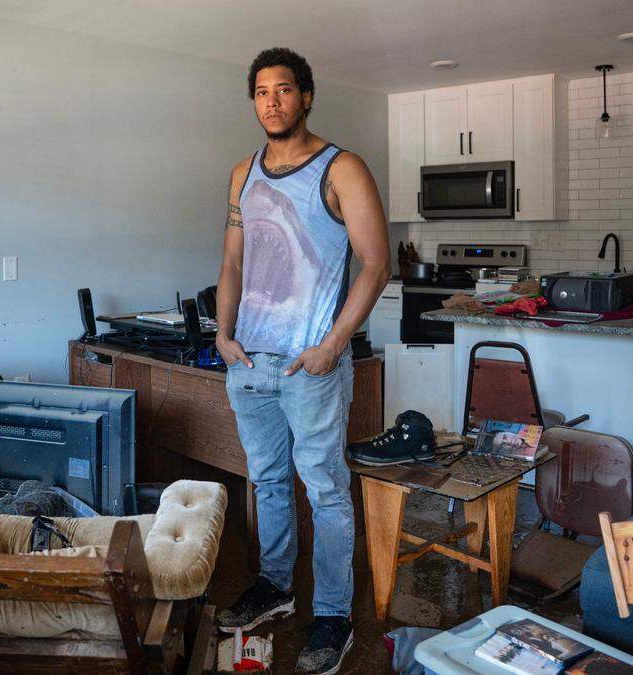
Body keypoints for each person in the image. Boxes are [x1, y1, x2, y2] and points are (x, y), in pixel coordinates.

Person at [213, 47, 390, 675]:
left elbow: (376, 262)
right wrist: (223, 334)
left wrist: (332, 346)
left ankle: (334, 617)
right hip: (248, 363)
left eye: (283, 90)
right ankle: (276, 587)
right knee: (267, 483)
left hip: (308, 365)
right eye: (261, 92)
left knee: (327, 492)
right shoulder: (242, 174)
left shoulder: (341, 168)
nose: (272, 102)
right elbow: (233, 262)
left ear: (306, 96)